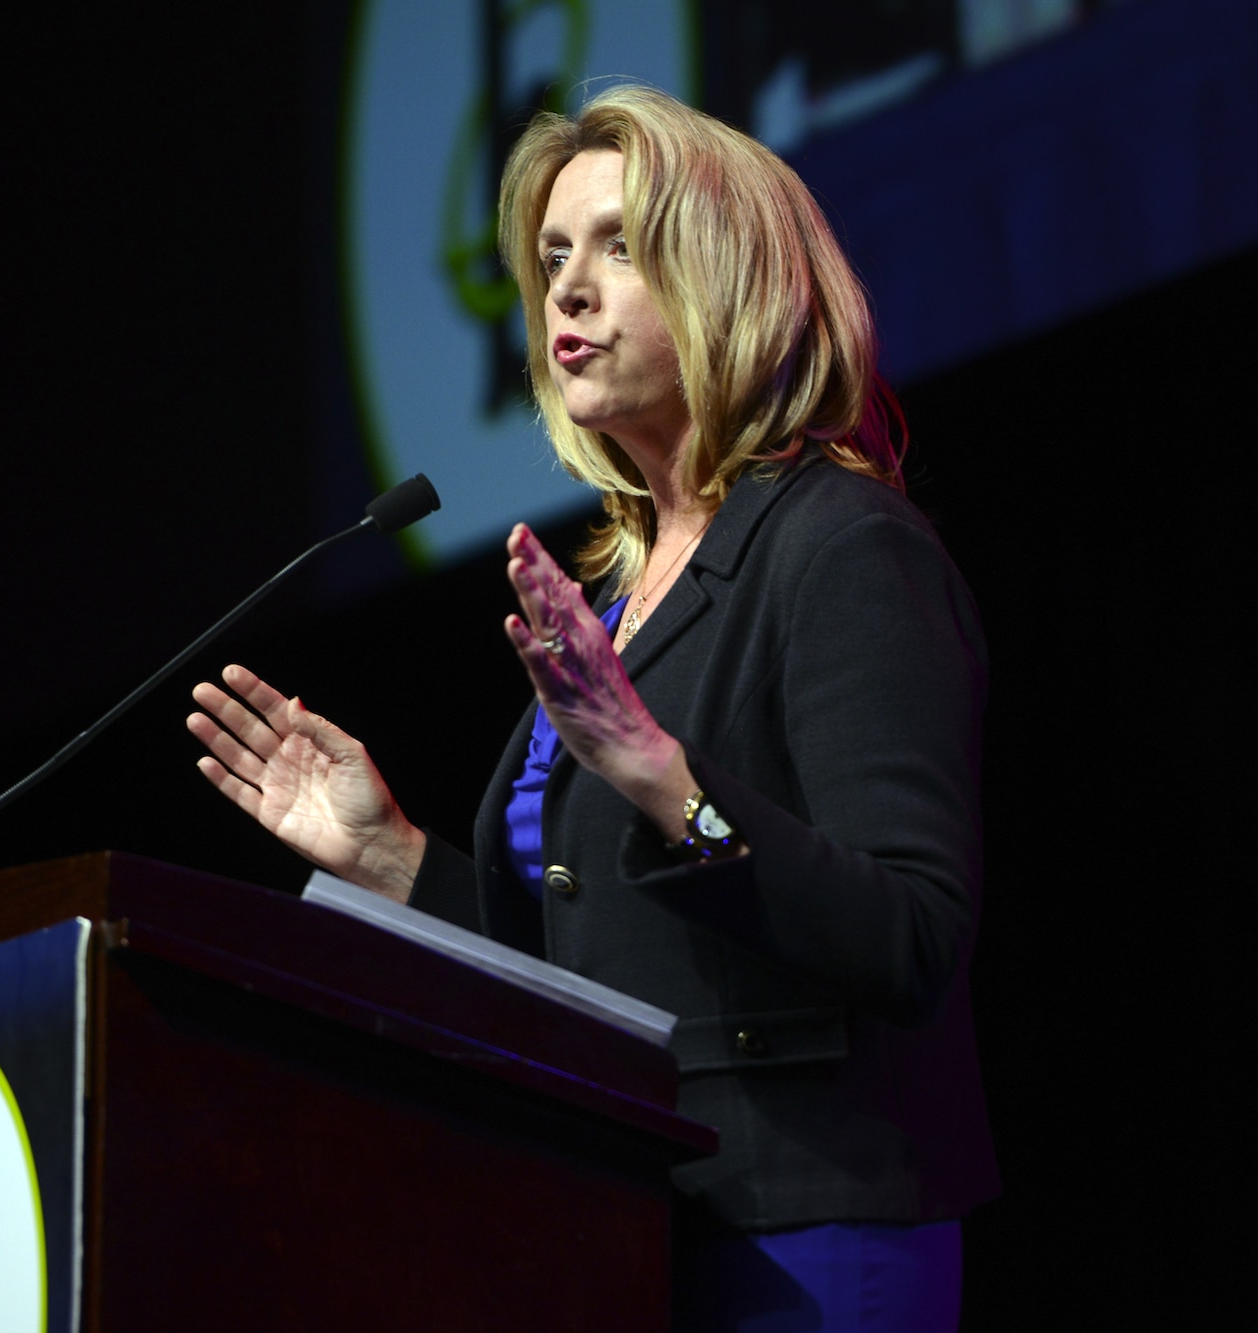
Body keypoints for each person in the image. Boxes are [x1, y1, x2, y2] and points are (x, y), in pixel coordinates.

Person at [187, 85, 997, 1332]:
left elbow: (906, 934)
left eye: (619, 246)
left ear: (728, 280)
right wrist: (391, 860)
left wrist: (663, 781)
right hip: (615, 1233)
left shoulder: (840, 547)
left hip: (803, 1240)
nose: (566, 289)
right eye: (553, 256)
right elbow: (586, 973)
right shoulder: (619, 605)